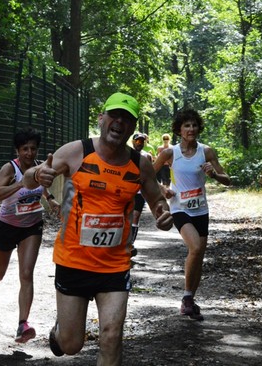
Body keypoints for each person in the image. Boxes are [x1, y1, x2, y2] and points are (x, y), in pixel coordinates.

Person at [23, 92, 173, 365]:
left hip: (115, 265)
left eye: (127, 119)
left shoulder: (140, 164)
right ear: (101, 118)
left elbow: (157, 201)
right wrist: (36, 174)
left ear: (132, 127)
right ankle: (60, 331)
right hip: (74, 260)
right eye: (114, 115)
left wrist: (164, 214)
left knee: (111, 335)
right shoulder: (76, 151)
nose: (119, 122)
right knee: (71, 345)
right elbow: (28, 179)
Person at [0, 127, 60, 344]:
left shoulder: (40, 167)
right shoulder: (10, 168)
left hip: (31, 226)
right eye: (25, 149)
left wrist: (49, 199)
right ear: (18, 150)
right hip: (6, 226)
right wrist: (20, 183)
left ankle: (23, 324)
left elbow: (41, 187)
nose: (30, 153)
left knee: (26, 274)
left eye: (33, 148)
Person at [153, 109, 230, 321]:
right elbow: (147, 175)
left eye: (194, 125)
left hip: (201, 210)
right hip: (180, 208)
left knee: (198, 256)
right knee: (195, 247)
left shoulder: (207, 152)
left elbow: (227, 179)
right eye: (187, 125)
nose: (191, 129)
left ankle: (190, 299)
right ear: (179, 130)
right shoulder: (170, 153)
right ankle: (187, 298)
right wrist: (162, 190)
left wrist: (213, 174)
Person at [130, 132, 154, 257]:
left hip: (139, 192)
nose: (139, 143)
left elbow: (151, 174)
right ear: (133, 142)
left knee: (135, 216)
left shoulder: (147, 156)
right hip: (127, 190)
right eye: (137, 141)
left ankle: (130, 244)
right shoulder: (125, 154)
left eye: (142, 141)